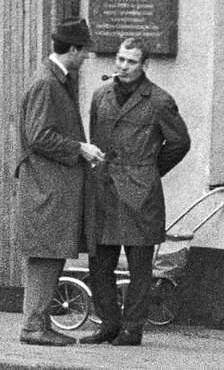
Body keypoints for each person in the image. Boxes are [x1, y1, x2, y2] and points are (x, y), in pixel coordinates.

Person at [81, 37, 190, 346]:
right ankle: (109, 324)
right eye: (120, 59)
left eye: (130, 61)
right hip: (104, 190)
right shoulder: (100, 96)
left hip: (140, 193)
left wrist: (150, 171)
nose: (123, 66)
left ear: (144, 66)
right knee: (100, 262)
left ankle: (132, 328)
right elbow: (96, 138)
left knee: (139, 264)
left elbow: (180, 143)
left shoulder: (158, 100)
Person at [15, 17, 101, 346]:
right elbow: (39, 136)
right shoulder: (47, 84)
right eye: (84, 52)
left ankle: (37, 324)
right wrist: (80, 147)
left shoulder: (55, 79)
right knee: (45, 257)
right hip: (46, 189)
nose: (86, 58)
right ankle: (34, 326)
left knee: (49, 256)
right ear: (73, 49)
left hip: (50, 188)